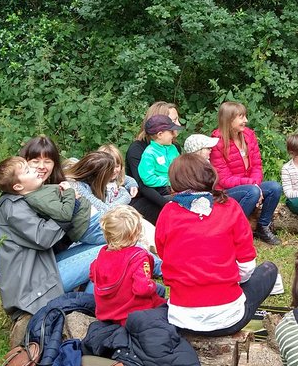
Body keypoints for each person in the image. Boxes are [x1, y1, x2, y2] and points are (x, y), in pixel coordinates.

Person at [155, 154, 279, 336]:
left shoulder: (168, 212)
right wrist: (225, 279)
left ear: (175, 182)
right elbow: (246, 266)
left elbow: (163, 254)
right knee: (269, 269)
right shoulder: (230, 207)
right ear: (210, 175)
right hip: (228, 319)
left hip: (181, 319)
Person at [0, 156, 104, 318]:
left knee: (104, 251)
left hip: (44, 268)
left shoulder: (19, 198)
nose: (36, 168)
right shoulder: (14, 209)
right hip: (34, 289)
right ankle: (89, 309)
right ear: (17, 185)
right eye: (28, 170)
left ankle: (88, 307)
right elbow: (44, 237)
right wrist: (72, 206)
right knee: (110, 251)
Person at [210, 101, 284, 246]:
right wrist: (253, 186)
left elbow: (257, 165)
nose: (246, 120)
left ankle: (263, 227)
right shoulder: (217, 142)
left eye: (245, 116)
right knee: (252, 192)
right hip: (225, 191)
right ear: (229, 119)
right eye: (241, 117)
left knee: (274, 188)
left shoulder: (248, 135)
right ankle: (234, 231)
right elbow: (224, 179)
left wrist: (255, 184)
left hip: (250, 186)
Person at [90, 206, 165, 324]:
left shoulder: (102, 254)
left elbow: (92, 275)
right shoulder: (139, 257)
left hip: (107, 313)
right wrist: (152, 285)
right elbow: (142, 289)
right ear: (134, 235)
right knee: (162, 295)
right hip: (132, 314)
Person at [0, 156, 87, 245]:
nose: (34, 169)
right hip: (86, 224)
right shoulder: (38, 199)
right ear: (18, 186)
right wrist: (69, 193)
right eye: (27, 171)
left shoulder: (38, 190)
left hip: (86, 216)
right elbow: (64, 214)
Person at [66, 147, 143, 248]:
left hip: (96, 224)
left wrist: (131, 184)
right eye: (109, 173)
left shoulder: (88, 176)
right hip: (86, 230)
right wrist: (125, 195)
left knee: (137, 229)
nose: (113, 173)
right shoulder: (77, 187)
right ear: (99, 175)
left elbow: (121, 177)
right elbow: (105, 210)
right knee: (132, 237)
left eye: (116, 167)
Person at [125, 101, 179, 223]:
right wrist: (169, 205)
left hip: (171, 190)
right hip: (146, 199)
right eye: (174, 121)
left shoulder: (173, 147)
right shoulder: (137, 149)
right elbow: (144, 187)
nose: (178, 125)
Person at [137, 114, 181, 199]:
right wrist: (170, 181)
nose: (174, 135)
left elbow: (181, 165)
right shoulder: (149, 153)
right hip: (162, 188)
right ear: (160, 134)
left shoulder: (173, 148)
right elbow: (148, 178)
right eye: (171, 132)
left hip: (177, 183)